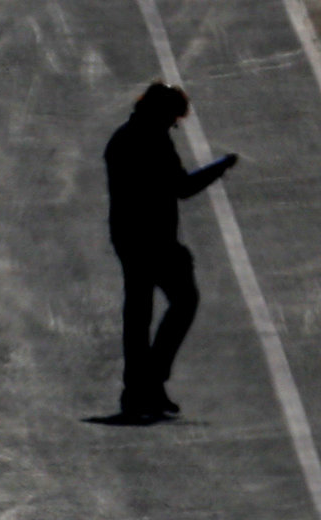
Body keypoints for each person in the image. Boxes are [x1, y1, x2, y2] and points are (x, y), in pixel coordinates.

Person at [104, 83, 234, 422]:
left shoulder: (122, 138)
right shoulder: (154, 141)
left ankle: (139, 388)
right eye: (173, 118)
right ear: (161, 114)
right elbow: (182, 187)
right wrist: (219, 167)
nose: (174, 124)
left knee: (138, 313)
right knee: (183, 301)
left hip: (129, 237)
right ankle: (149, 382)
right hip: (153, 240)